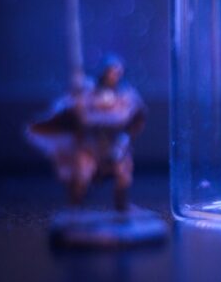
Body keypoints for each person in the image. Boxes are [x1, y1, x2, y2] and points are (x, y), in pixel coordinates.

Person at [27, 55, 146, 211]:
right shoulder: (87, 94)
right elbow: (69, 112)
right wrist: (75, 100)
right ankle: (74, 206)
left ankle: (122, 207)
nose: (113, 76)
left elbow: (137, 117)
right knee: (82, 176)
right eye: (110, 72)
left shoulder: (126, 95)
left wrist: (125, 138)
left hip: (115, 144)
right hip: (90, 145)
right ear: (103, 72)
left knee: (123, 174)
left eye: (117, 72)